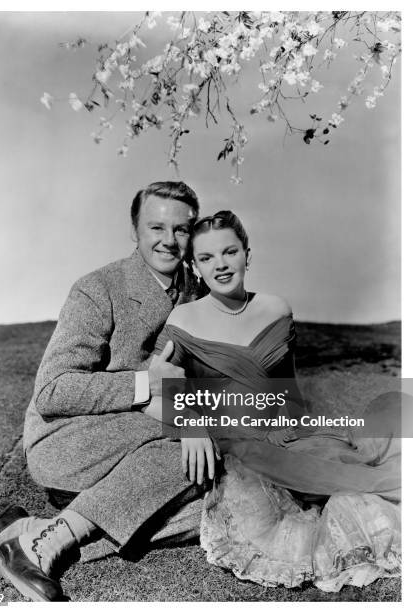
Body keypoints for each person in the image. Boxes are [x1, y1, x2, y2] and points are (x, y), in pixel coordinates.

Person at [0, 181, 210, 601]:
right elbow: (53, 391)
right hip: (71, 439)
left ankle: (28, 531)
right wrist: (150, 387)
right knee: (190, 453)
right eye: (156, 227)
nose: (169, 240)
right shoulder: (98, 289)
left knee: (214, 506)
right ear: (135, 229)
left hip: (141, 445)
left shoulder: (193, 293)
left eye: (181, 229)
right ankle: (45, 546)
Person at [145, 210, 401, 591]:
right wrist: (188, 423)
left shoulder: (278, 309)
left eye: (229, 252)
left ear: (248, 254)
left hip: (287, 435)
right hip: (237, 447)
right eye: (207, 258)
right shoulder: (183, 321)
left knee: (373, 451)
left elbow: (288, 391)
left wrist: (300, 429)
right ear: (195, 267)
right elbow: (151, 391)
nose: (221, 265)